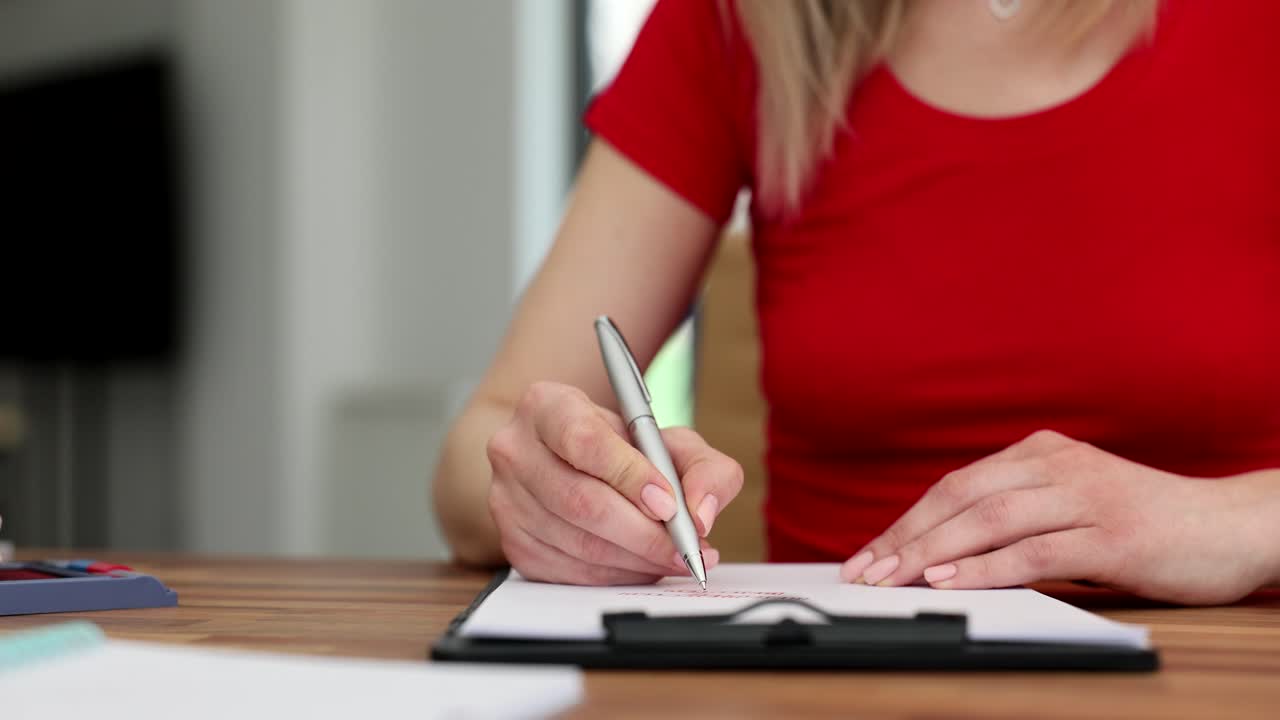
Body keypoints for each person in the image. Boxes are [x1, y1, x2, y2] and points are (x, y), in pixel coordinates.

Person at [432, 0, 1280, 605]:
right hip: (837, 684)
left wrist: (1232, 523)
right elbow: (480, 453)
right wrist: (562, 494)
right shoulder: (739, 22)